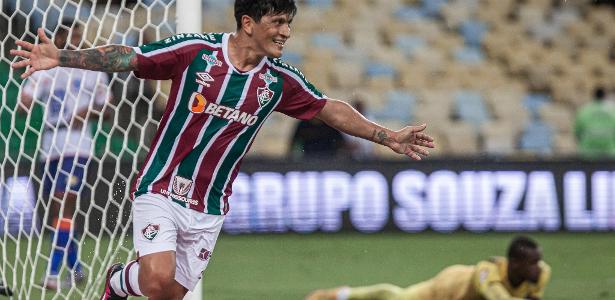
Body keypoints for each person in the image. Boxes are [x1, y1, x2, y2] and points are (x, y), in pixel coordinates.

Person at [10, 1, 435, 299]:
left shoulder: (278, 82)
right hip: (160, 185)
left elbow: (328, 109)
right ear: (248, 22)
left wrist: (386, 136)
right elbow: (130, 57)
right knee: (158, 281)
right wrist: (64, 57)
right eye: (278, 22)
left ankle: (120, 280)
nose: (286, 32)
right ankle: (121, 282)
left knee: (171, 292)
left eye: (289, 23)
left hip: (210, 203)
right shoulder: (196, 53)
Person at [17, 19, 111, 290]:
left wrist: (88, 111)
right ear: (57, 37)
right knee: (56, 211)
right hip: (50, 144)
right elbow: (25, 103)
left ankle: (52, 274)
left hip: (78, 146)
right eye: (69, 36)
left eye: (79, 37)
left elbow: (108, 109)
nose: (75, 41)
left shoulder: (93, 69)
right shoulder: (48, 69)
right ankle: (77, 269)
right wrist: (25, 100)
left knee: (64, 204)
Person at [306, 236, 551, 300]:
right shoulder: (487, 274)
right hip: (445, 289)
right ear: (515, 263)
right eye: (532, 263)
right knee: (397, 297)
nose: (538, 267)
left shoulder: (541, 273)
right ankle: (336, 295)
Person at [574, 87, 615, 159]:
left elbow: (577, 133)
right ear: (605, 96)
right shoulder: (613, 110)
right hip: (610, 152)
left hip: (588, 153)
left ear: (593, 96)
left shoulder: (584, 110)